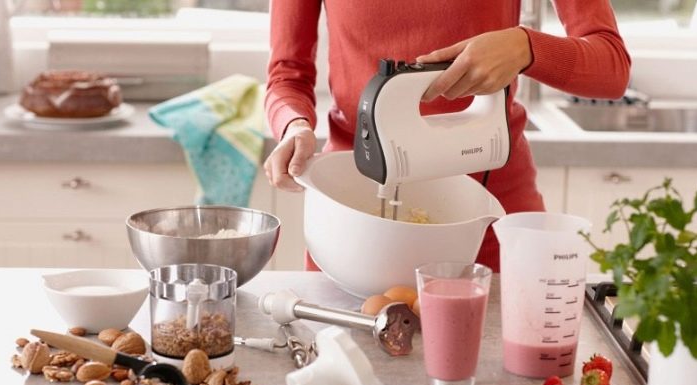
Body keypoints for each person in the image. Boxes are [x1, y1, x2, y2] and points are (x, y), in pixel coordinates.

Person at [263, 1, 631, 272]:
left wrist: (525, 47)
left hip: (490, 219)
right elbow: (286, 74)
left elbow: (611, 67)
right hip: (354, 215)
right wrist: (293, 124)